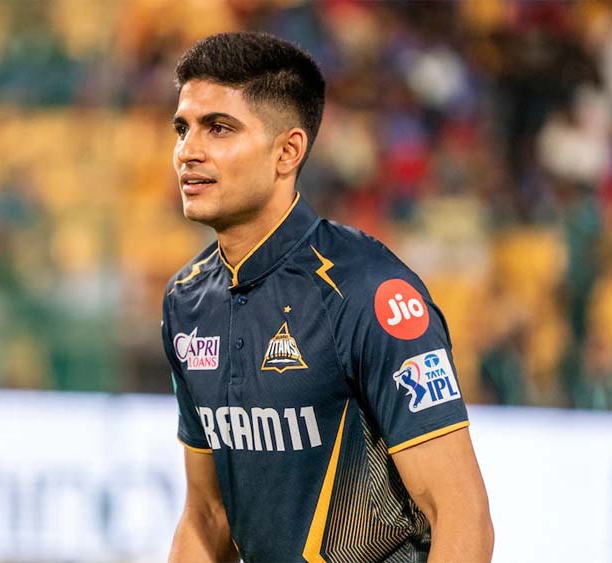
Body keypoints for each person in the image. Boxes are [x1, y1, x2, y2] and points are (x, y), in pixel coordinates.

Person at [162, 31, 493, 563]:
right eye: (183, 128)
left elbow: (461, 514)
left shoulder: (370, 291)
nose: (188, 151)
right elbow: (207, 515)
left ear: (287, 151)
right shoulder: (186, 301)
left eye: (218, 128)